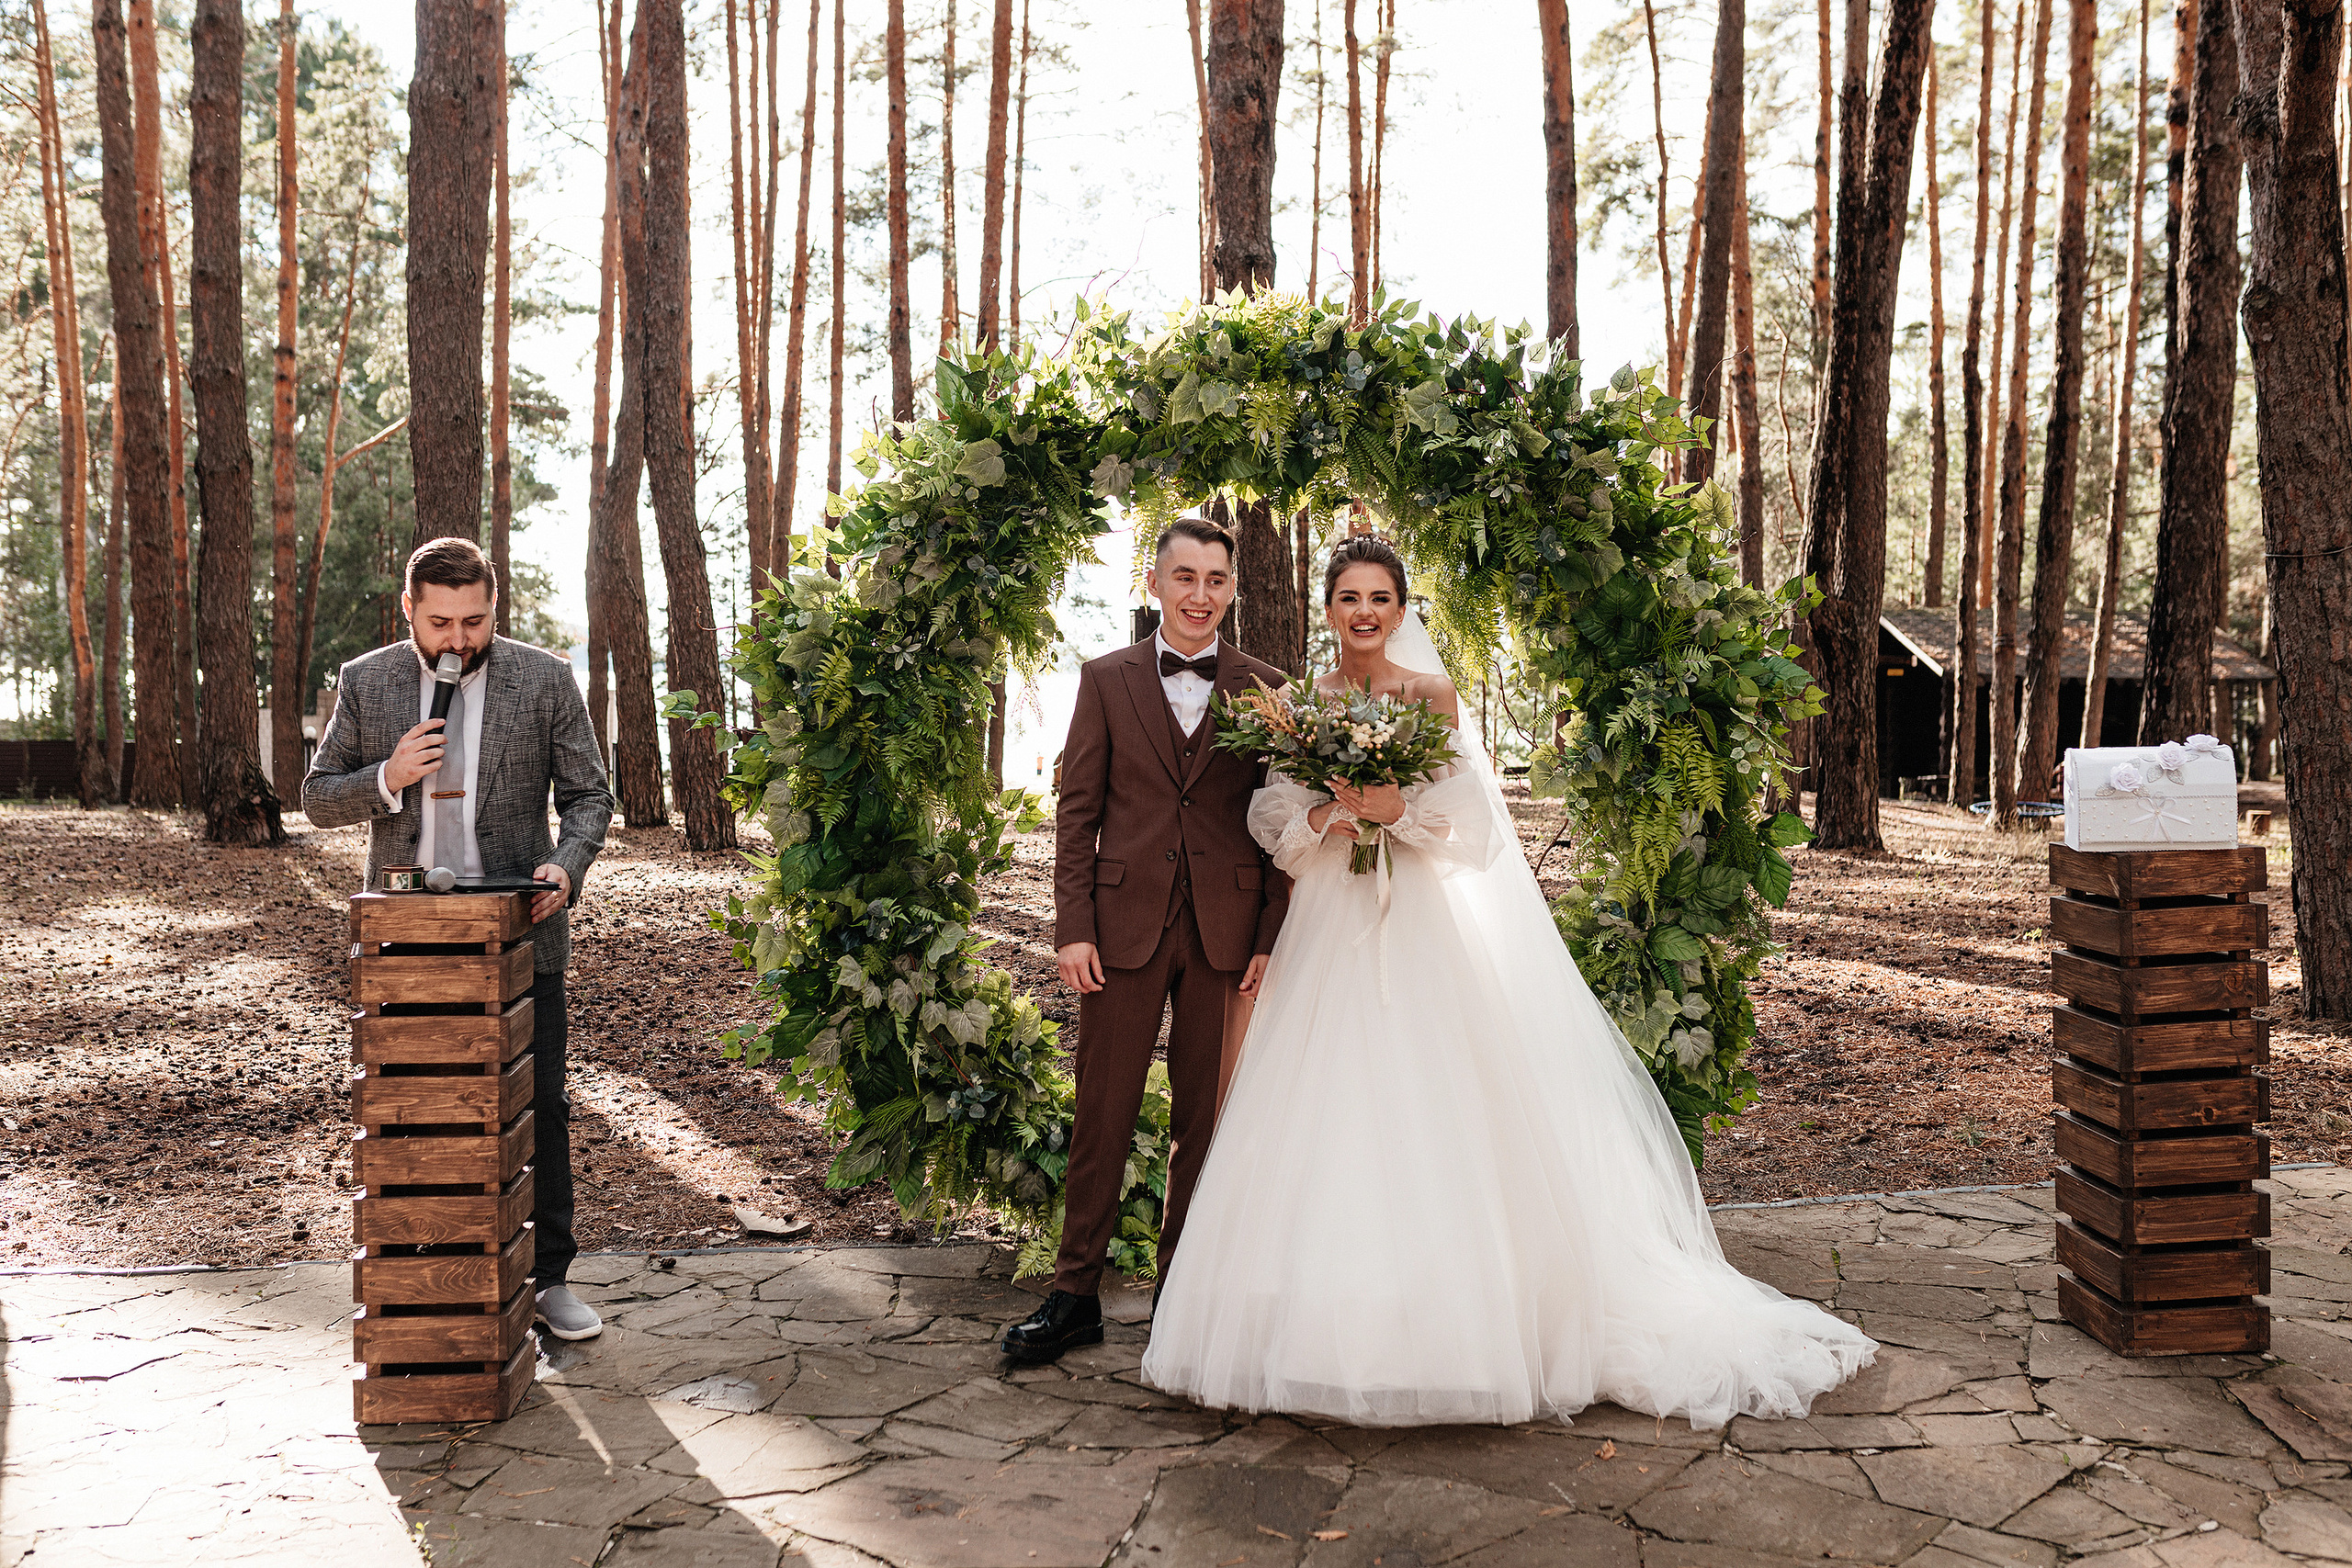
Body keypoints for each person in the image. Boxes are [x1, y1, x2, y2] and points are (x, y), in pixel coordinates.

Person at [1138, 533, 1875, 1429]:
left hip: (1418, 923)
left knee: (1435, 1103)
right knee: (1325, 1105)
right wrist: (1337, 811)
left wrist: (1396, 811)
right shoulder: (1306, 705)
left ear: (1401, 611)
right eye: (1346, 599)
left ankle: (1462, 1324)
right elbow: (1275, 818)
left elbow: (1469, 827)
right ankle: (1320, 1322)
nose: (1363, 613)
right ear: (1327, 610)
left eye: (1379, 598)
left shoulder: (1433, 696)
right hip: (1332, 924)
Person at [303, 536, 614, 1343]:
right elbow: (315, 798)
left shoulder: (544, 678)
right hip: (408, 942)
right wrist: (386, 777)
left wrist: (565, 866)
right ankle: (425, 1276)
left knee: (539, 1105)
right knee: (415, 1111)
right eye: (439, 621)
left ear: (493, 610)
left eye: (473, 621)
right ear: (408, 609)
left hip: (520, 932)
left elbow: (589, 795)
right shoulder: (367, 682)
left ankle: (548, 1279)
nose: (457, 640)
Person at [1001, 516, 1293, 1363]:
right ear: (1154, 583)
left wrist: (1270, 934)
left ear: (1233, 590)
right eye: (1186, 577)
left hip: (1225, 936)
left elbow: (1279, 825)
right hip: (1121, 931)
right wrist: (1072, 927)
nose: (1201, 594)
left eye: (1217, 580)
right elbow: (1077, 812)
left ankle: (1183, 1295)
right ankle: (1074, 1294)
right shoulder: (1106, 679)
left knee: (1203, 1120)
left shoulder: (1268, 689)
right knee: (1104, 1111)